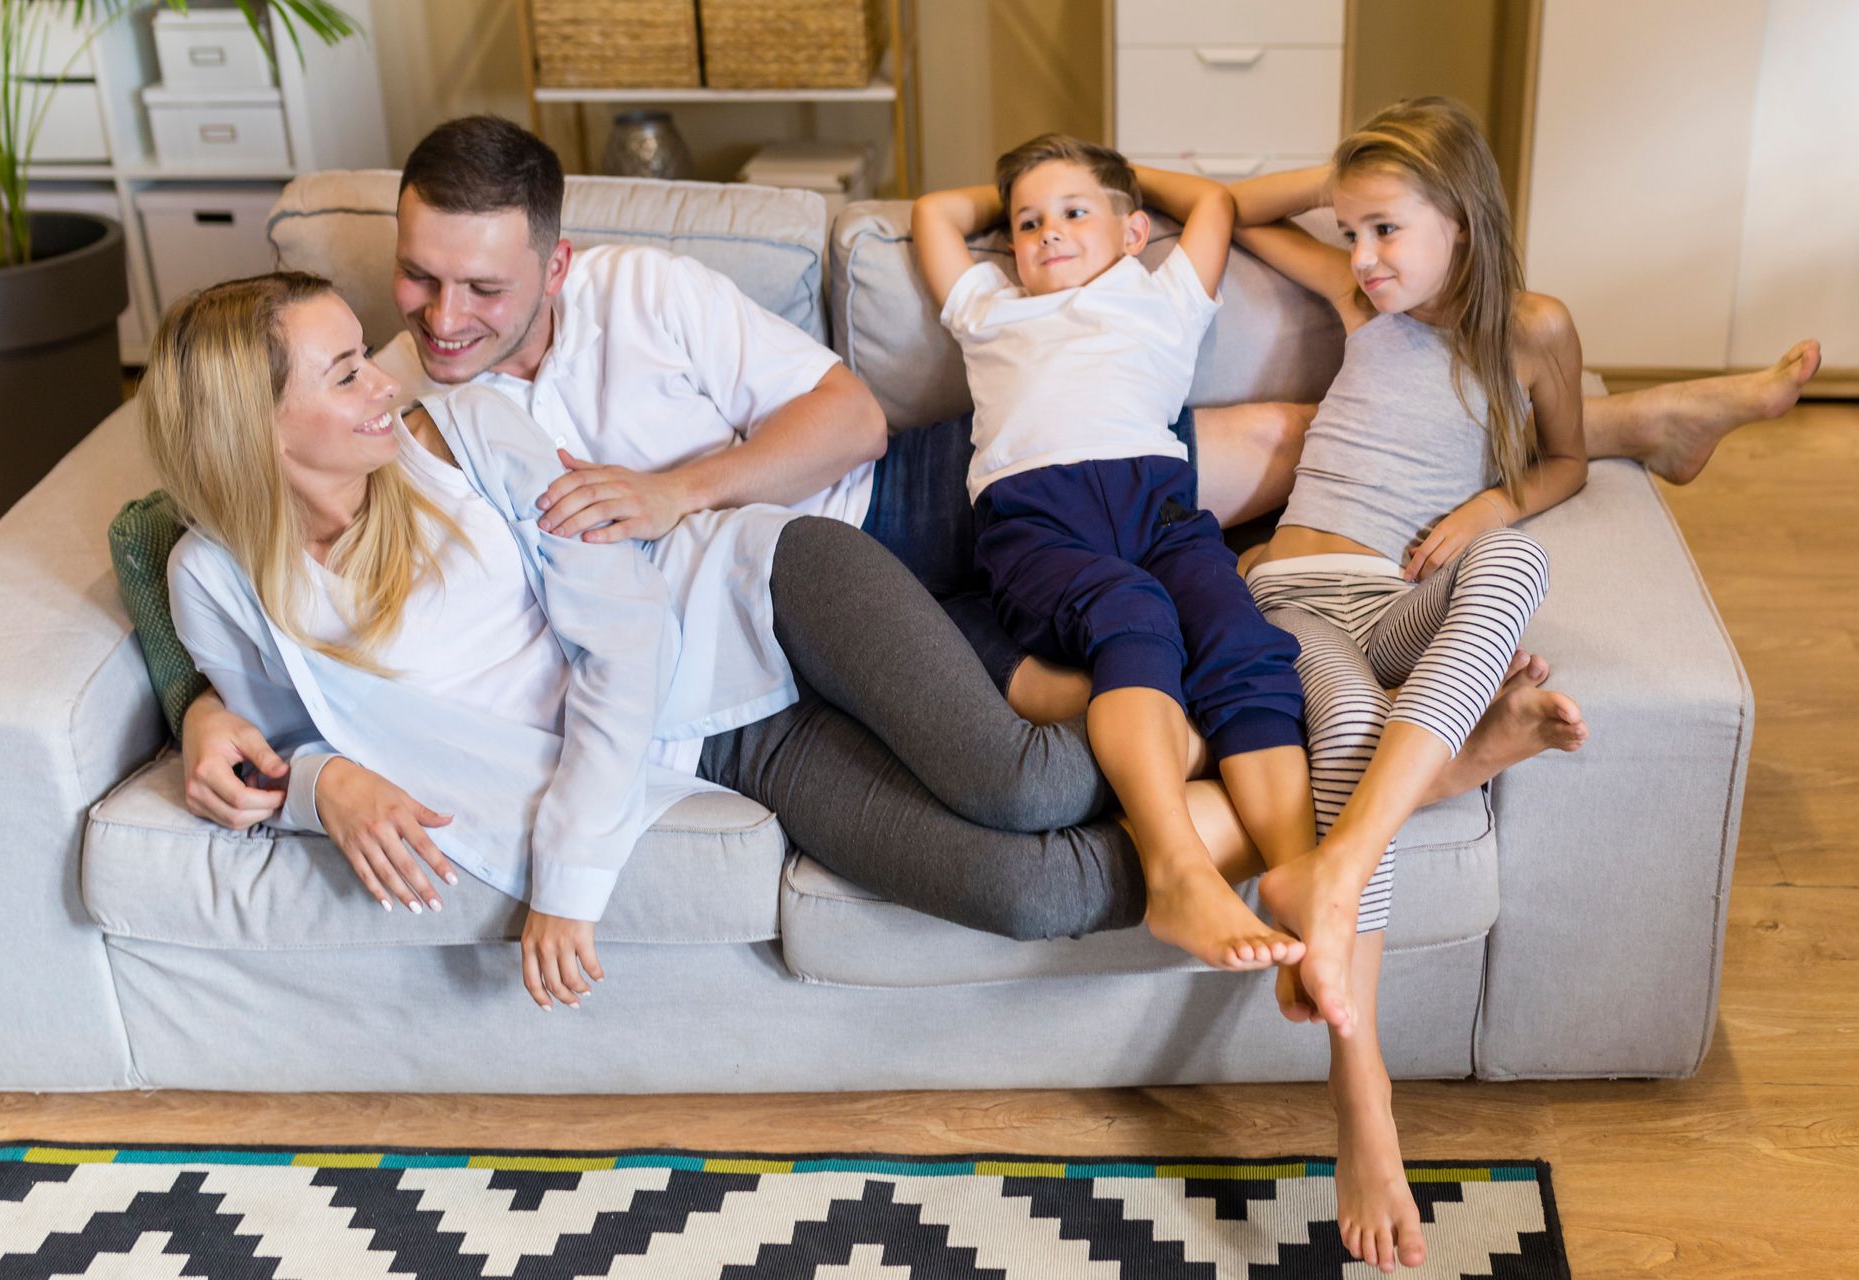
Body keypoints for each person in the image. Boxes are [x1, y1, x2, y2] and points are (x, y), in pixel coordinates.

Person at [158, 114, 1818, 843]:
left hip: (932, 491)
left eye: (476, 292)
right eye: (415, 290)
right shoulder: (390, 397)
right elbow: (206, 505)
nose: (436, 324)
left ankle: (1620, 427)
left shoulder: (642, 299)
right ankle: (1630, 431)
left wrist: (680, 492)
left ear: (555, 261)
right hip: (841, 594)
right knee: (1079, 654)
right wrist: (205, 712)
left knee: (1280, 447)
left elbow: (853, 424)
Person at [147, 271, 1311, 1012]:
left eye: (366, 354)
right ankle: (1210, 804)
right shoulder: (215, 579)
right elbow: (284, 736)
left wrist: (571, 878)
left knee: (1023, 777)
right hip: (703, 745)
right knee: (1023, 887)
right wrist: (320, 783)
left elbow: (613, 644)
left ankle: (1233, 676)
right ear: (254, 421)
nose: (388, 380)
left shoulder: (463, 432)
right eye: (347, 370)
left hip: (755, 591)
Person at [1220, 98, 1589, 1273]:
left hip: (1401, 595)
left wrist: (1492, 501)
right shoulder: (1350, 296)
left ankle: (1332, 870)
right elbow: (1224, 206)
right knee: (1344, 734)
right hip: (1290, 598)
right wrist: (1340, 179)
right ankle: (1361, 1094)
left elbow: (1570, 456)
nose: (1365, 259)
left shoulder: (1532, 328)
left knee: (1519, 557)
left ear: (1465, 226)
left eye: (1388, 230)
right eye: (1353, 229)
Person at [910, 135, 1318, 977]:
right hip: (1037, 523)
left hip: (1160, 508)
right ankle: (1174, 870)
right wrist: (1014, 199)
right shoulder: (989, 304)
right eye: (1028, 223)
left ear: (1133, 232)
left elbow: (1213, 203)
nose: (1047, 232)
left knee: (1240, 639)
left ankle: (1299, 874)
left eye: (1072, 213)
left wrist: (1123, 181)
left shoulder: (1160, 294)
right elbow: (933, 214)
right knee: (1133, 612)